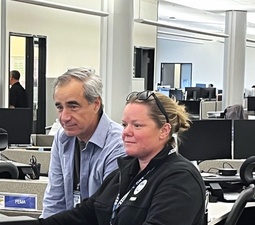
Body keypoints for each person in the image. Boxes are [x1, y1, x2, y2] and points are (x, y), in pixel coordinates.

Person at [37, 90, 206, 225]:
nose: (126, 132)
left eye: (137, 125)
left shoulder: (180, 178)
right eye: (125, 125)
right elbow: (83, 215)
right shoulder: (124, 173)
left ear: (164, 130)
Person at [41, 68, 126, 218]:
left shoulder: (119, 145)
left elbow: (104, 212)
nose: (64, 117)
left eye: (73, 106)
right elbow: (55, 201)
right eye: (60, 107)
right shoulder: (63, 138)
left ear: (96, 104)